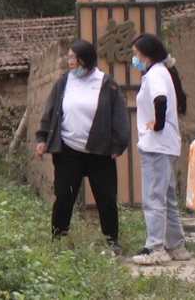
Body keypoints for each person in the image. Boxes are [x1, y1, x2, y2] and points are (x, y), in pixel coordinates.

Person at [35, 40, 130, 256]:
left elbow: (119, 116)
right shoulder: (63, 83)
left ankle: (111, 241)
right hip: (68, 149)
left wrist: (118, 143)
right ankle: (58, 238)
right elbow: (50, 112)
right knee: (64, 196)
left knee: (106, 198)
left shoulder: (107, 84)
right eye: (68, 57)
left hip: (100, 151)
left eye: (72, 58)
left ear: (85, 59)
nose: (69, 62)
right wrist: (42, 138)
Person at [130, 33, 192, 265]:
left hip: (156, 145)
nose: (134, 58)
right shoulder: (162, 73)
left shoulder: (155, 73)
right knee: (166, 197)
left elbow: (160, 100)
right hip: (166, 145)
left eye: (136, 54)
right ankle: (176, 246)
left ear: (147, 55)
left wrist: (157, 124)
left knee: (153, 197)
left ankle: (155, 246)